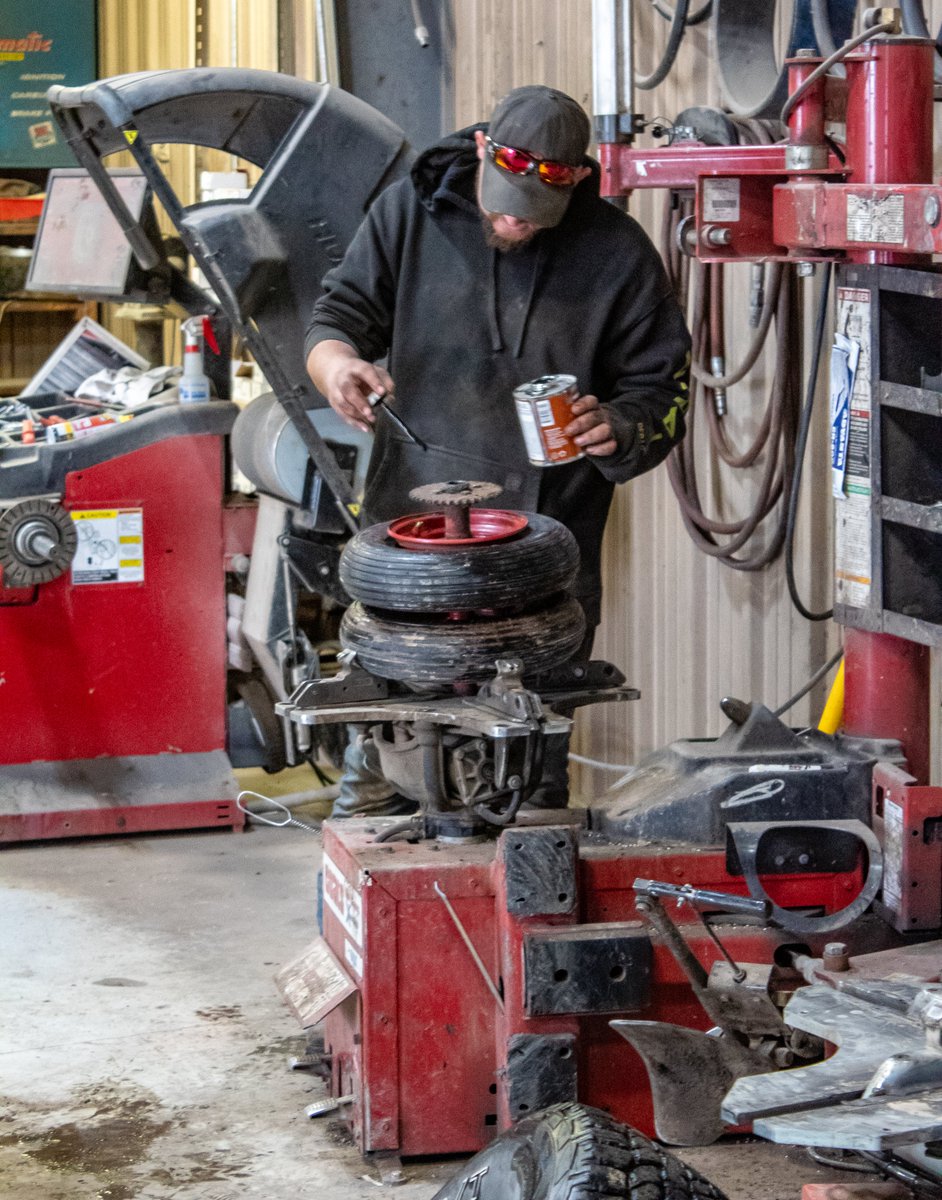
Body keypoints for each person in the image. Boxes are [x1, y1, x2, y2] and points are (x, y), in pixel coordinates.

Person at [305, 84, 691, 816]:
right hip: (407, 546)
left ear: (576, 178)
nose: (513, 220)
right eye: (502, 200)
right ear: (482, 150)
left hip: (545, 554)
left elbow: (663, 388)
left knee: (527, 789)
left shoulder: (617, 254)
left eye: (533, 211)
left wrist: (621, 426)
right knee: (383, 764)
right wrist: (337, 368)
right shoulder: (408, 213)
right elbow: (336, 315)